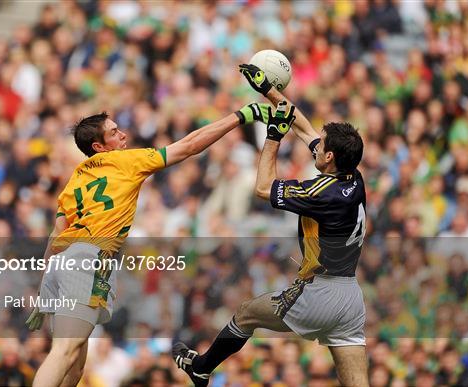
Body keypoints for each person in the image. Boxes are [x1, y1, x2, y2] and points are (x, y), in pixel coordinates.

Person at [25, 103, 270, 387]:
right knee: (64, 352)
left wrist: (44, 287)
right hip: (87, 259)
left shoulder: (75, 179)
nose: (123, 135)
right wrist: (239, 117)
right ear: (99, 146)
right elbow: (189, 146)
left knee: (75, 364)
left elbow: (57, 235)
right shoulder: (127, 161)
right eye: (114, 133)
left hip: (64, 263)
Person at [173, 64, 369, 386]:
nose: (315, 146)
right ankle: (201, 367)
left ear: (330, 156)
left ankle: (202, 367)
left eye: (321, 146)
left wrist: (273, 136)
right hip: (350, 297)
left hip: (320, 292)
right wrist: (270, 92)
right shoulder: (353, 177)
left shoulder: (321, 193)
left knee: (247, 312)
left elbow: (263, 188)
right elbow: (305, 129)